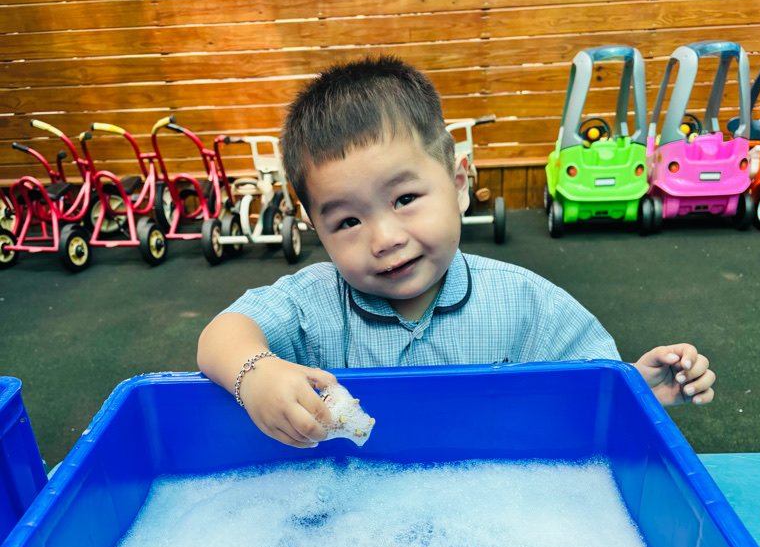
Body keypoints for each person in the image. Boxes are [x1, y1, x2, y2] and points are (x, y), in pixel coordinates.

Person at [198, 56, 716, 449]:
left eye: (405, 199)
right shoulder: (314, 304)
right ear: (317, 228)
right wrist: (255, 373)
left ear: (459, 183)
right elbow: (221, 335)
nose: (384, 239)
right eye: (348, 222)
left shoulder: (523, 304)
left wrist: (636, 390)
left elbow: (590, 387)